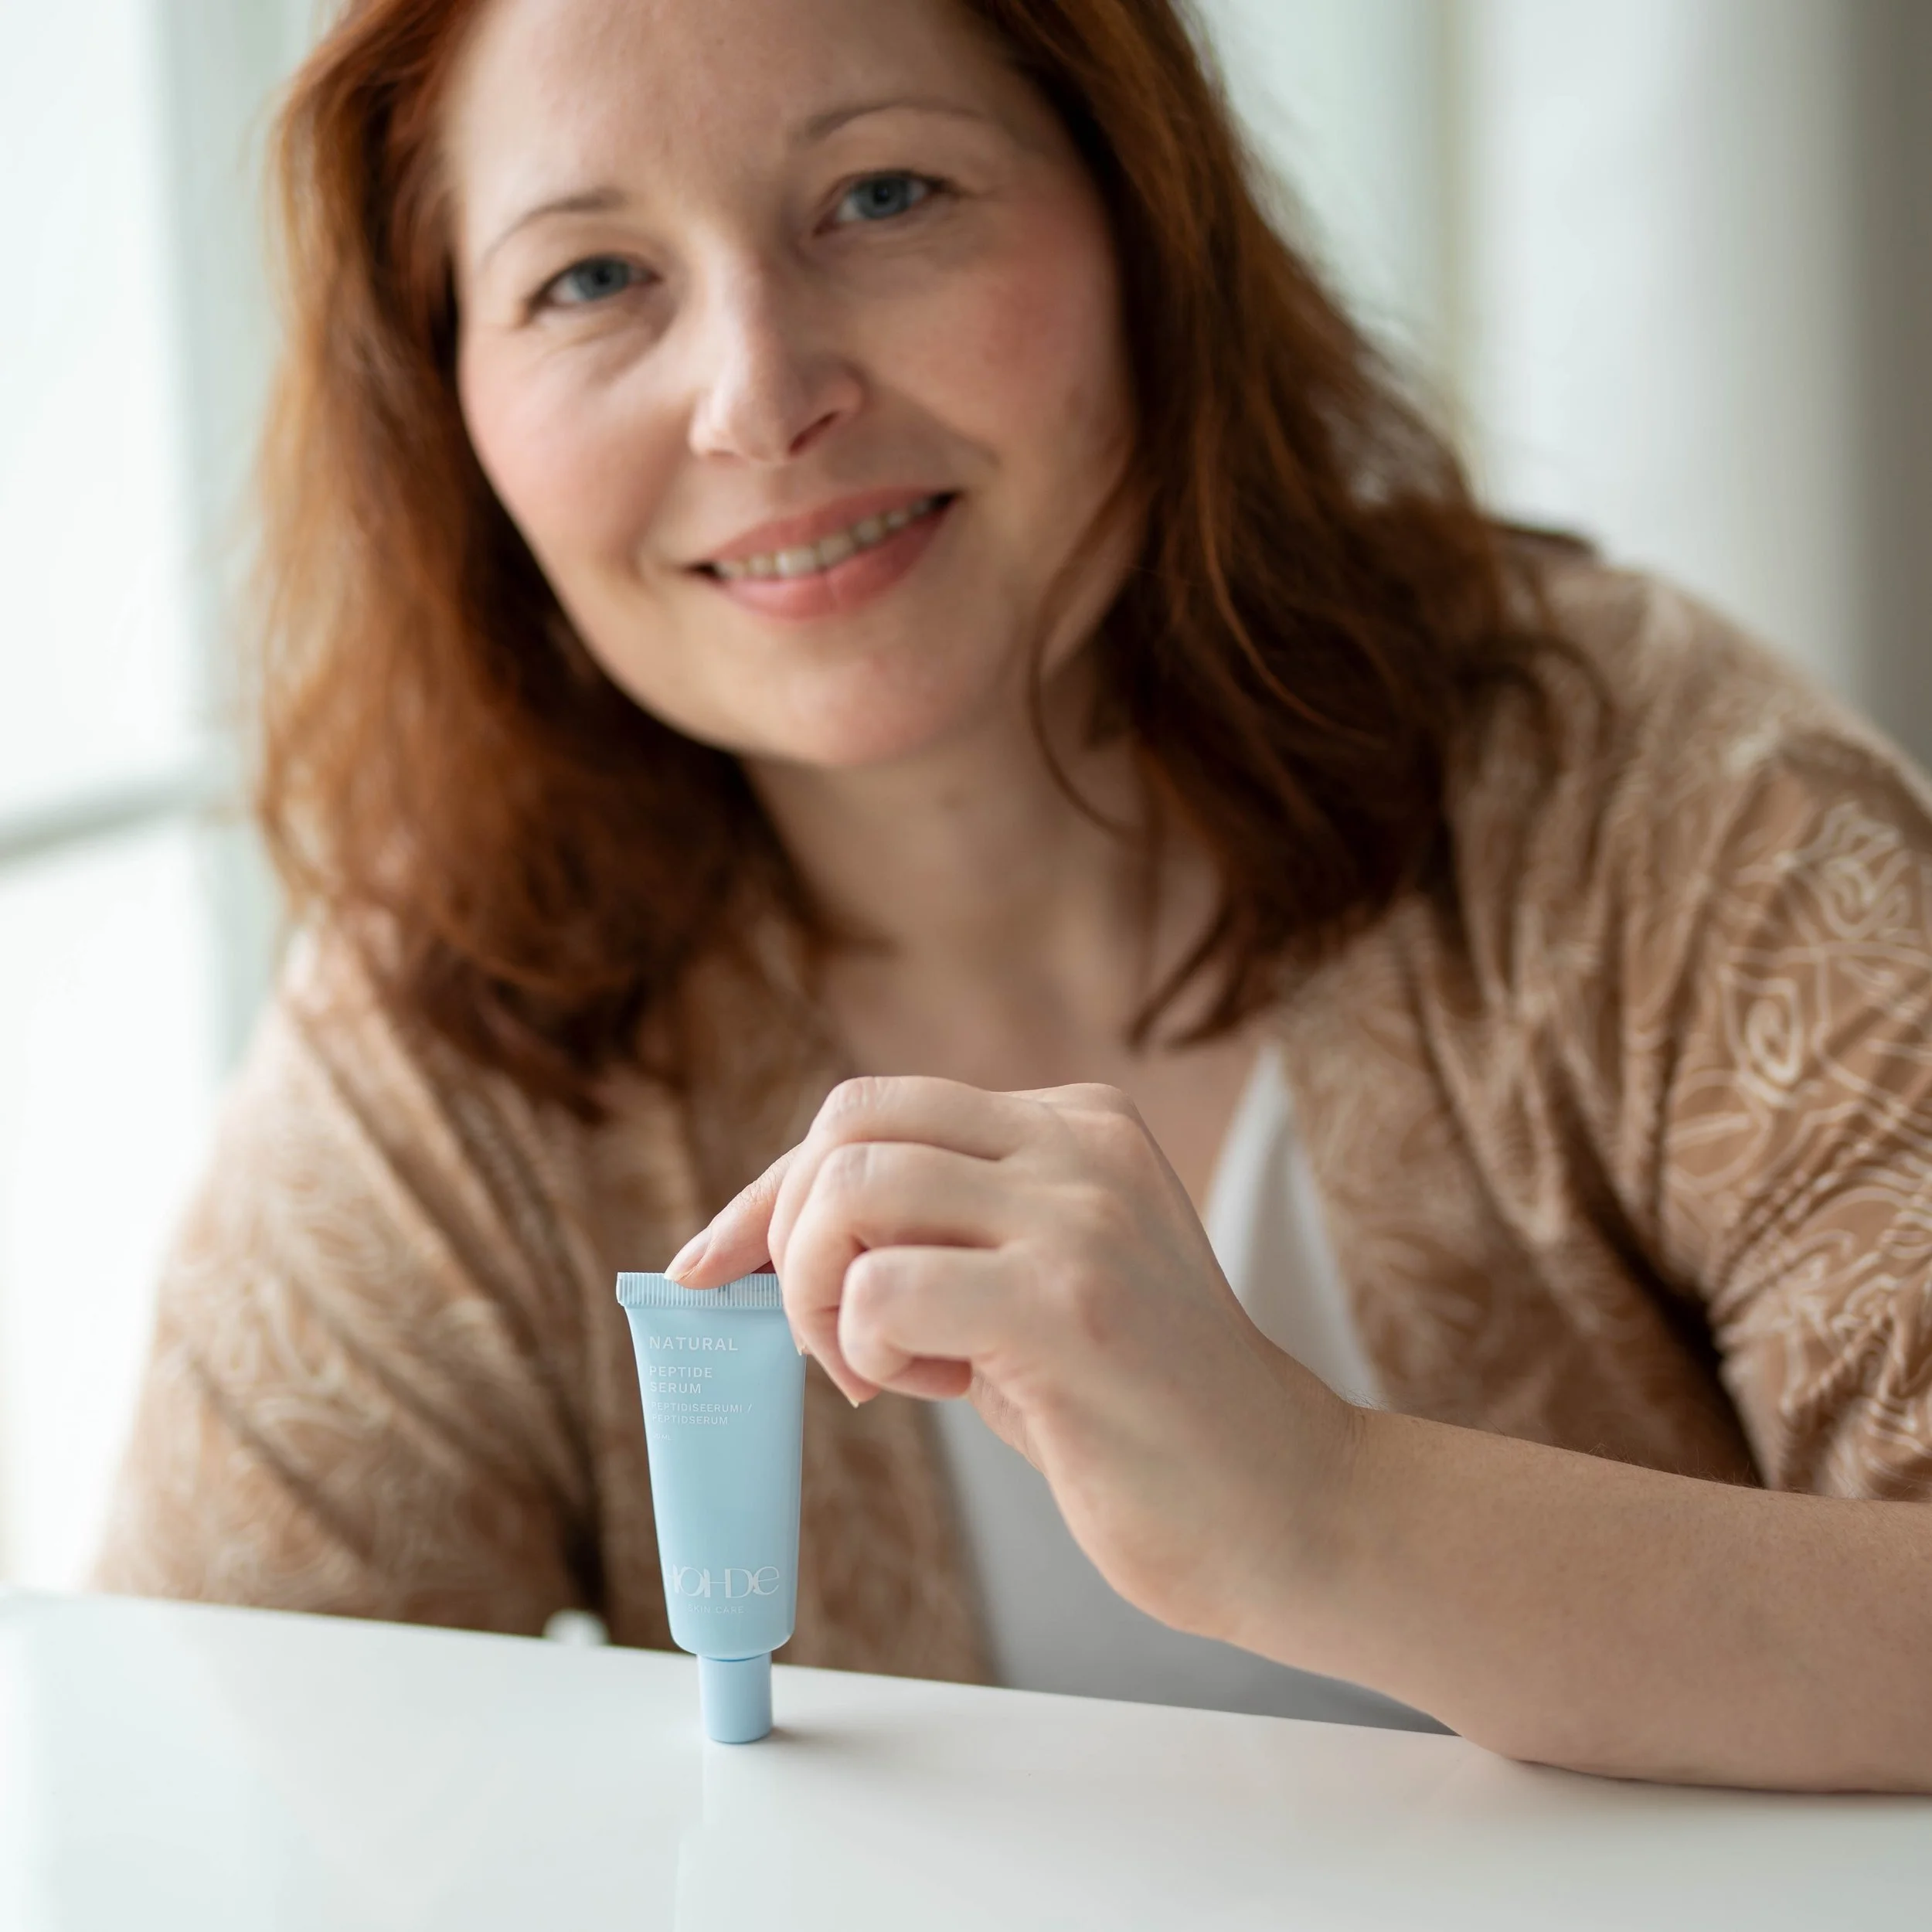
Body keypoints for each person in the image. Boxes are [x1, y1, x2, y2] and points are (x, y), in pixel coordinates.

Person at [96, 0, 1932, 1791]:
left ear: (1142, 217)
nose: (759, 397)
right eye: (590, 277)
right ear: (450, 408)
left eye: (883, 194)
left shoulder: (1645, 787)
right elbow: (174, 1785)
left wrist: (1327, 1506)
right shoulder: (461, 1023)